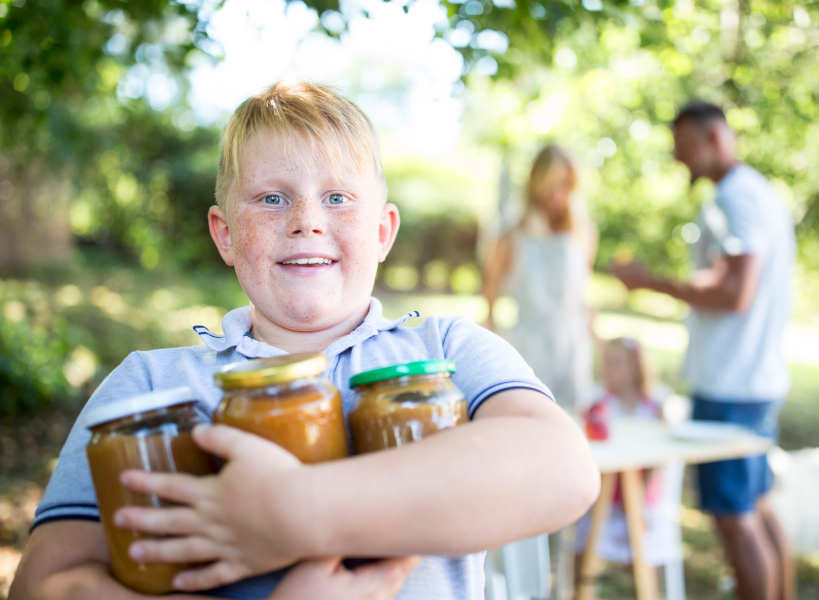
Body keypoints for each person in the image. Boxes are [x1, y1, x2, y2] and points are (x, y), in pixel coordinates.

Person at [10, 82, 599, 600]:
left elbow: (564, 471)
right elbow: (45, 584)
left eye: (338, 197)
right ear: (225, 235)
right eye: (271, 197)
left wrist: (297, 512)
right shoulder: (150, 385)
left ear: (382, 231)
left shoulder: (448, 352)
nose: (306, 219)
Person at [611, 100, 796, 600]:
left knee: (734, 518)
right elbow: (730, 282)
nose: (680, 160)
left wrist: (652, 283)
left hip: (733, 381)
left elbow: (736, 293)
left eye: (684, 148)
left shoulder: (736, 199)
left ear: (713, 138)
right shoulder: (754, 193)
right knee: (755, 506)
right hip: (753, 377)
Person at [482, 144, 597, 412]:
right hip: (529, 345)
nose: (560, 194)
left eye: (567, 185)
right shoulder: (511, 234)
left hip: (573, 345)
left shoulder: (582, 232)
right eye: (554, 184)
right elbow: (491, 295)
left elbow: (583, 292)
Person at [574, 337, 680, 569]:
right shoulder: (599, 403)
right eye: (605, 363)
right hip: (601, 492)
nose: (607, 370)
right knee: (583, 541)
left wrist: (640, 500)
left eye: (615, 363)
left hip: (642, 494)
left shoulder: (654, 406)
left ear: (635, 366)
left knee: (639, 540)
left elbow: (660, 461)